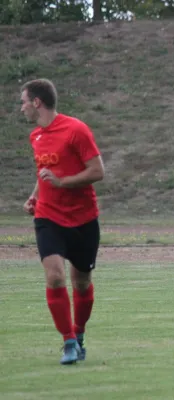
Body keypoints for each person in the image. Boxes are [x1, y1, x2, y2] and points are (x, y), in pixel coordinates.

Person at [20, 79, 105, 364]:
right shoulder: (36, 136)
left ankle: (79, 335)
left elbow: (97, 171)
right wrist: (35, 196)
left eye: (23, 102)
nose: (21, 109)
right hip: (48, 216)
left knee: (81, 282)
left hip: (83, 218)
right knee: (55, 276)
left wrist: (61, 182)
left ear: (37, 102)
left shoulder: (76, 130)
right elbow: (44, 171)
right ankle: (68, 341)